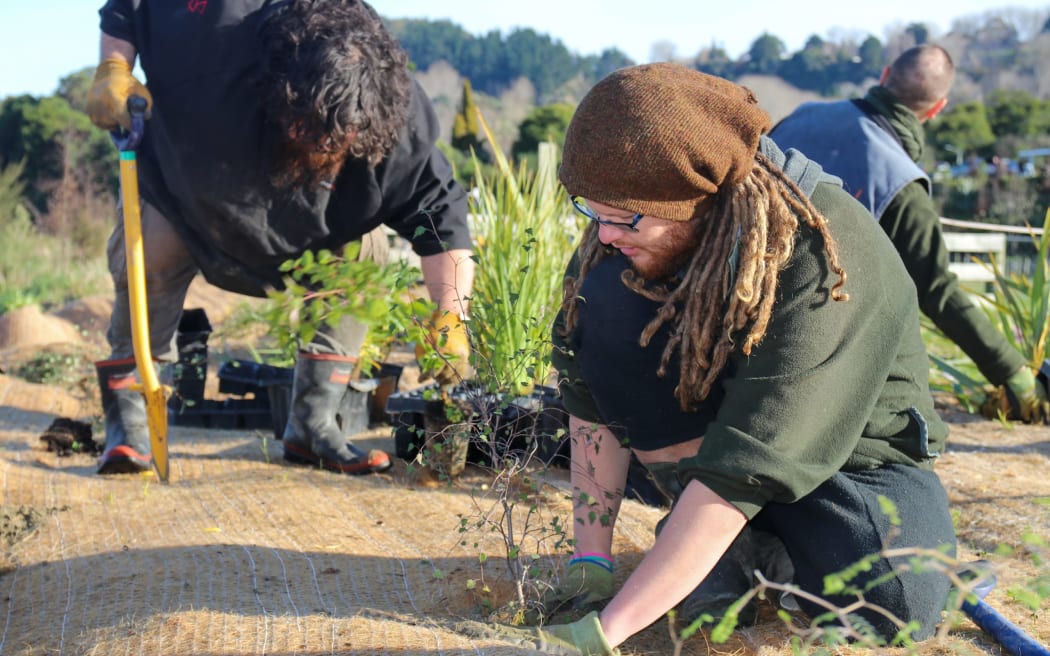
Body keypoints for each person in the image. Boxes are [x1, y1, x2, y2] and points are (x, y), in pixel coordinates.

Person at [462, 63, 958, 654]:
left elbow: (751, 458)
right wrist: (591, 562)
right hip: (717, 452)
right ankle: (732, 547)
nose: (606, 231)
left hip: (851, 466)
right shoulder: (621, 228)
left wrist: (602, 636)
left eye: (625, 218)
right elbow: (586, 395)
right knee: (605, 306)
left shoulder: (827, 261)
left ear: (698, 197)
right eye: (592, 210)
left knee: (897, 608)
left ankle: (746, 547)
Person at [85, 0, 474, 476]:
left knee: (364, 254)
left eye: (336, 142)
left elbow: (443, 220)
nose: (319, 147)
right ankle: (128, 425)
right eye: (305, 129)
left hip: (317, 232)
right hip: (187, 198)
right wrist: (113, 66)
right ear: (280, 88)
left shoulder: (398, 120)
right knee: (148, 250)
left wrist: (451, 317)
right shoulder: (213, 33)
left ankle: (314, 424)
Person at [770, 44, 1048, 424]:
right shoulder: (902, 183)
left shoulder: (800, 117)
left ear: (883, 77)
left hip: (732, 313)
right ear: (937, 108)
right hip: (809, 352)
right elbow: (938, 291)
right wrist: (1013, 374)